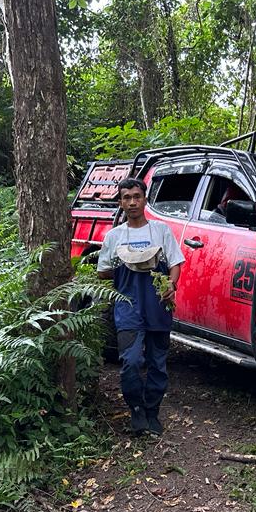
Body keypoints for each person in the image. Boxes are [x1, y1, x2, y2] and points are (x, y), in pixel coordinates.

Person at [97, 178, 184, 436]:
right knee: (131, 361)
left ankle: (152, 411)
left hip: (158, 306)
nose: (132, 202)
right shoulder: (114, 237)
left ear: (145, 199)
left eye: (137, 196)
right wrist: (127, 267)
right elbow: (102, 272)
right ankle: (136, 408)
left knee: (158, 362)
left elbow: (176, 263)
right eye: (127, 197)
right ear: (121, 203)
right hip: (128, 308)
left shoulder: (161, 231)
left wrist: (171, 283)